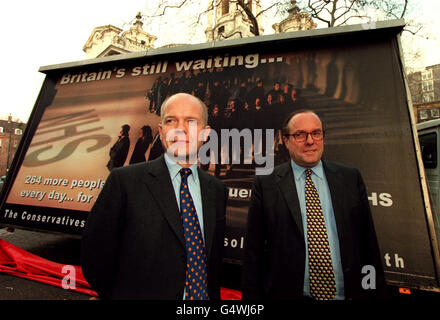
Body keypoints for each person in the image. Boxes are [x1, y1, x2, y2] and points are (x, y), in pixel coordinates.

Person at [82, 93, 228, 300]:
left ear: (206, 134)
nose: (181, 129)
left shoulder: (217, 190)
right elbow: (95, 256)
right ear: (161, 131)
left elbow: (212, 261)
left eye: (191, 121)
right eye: (171, 121)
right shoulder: (124, 181)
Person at [242, 110, 386, 300]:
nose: (310, 141)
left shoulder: (350, 178)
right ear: (286, 141)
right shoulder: (267, 183)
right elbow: (254, 252)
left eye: (316, 133)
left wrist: (375, 294)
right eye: (300, 135)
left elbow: (369, 246)